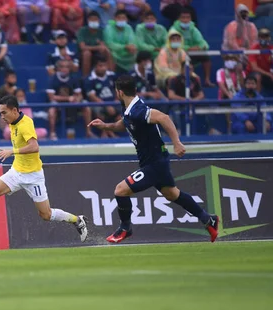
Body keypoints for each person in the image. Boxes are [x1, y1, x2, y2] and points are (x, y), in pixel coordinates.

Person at [88, 75, 219, 243]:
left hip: (154, 164)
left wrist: (176, 143)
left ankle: (125, 228)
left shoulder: (139, 111)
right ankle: (209, 219)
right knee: (172, 194)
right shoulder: (129, 109)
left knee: (120, 190)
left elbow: (163, 118)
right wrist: (106, 125)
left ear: (120, 93)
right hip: (156, 162)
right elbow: (124, 123)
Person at [0, 95, 88, 243]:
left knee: (46, 215)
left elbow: (34, 146)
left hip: (33, 176)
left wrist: (11, 151)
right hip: (16, 172)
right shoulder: (12, 121)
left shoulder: (25, 124)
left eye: (4, 112)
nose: (2, 116)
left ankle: (77, 220)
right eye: (0, 113)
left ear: (15, 110)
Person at [47, 59, 90, 139]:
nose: (64, 69)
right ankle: (52, 133)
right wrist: (68, 98)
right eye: (62, 67)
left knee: (86, 106)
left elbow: (79, 94)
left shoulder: (74, 78)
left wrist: (77, 98)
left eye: (67, 67)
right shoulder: (53, 79)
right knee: (51, 110)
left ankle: (88, 132)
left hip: (72, 104)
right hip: (58, 104)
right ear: (58, 68)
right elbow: (52, 97)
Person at [171, 7, 213, 87]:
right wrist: (188, 48)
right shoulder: (173, 30)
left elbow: (202, 42)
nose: (185, 20)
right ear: (178, 19)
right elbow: (174, 45)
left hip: (191, 53)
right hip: (177, 54)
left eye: (188, 17)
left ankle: (207, 80)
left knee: (205, 56)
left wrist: (201, 47)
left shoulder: (193, 29)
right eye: (183, 17)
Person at [84, 57, 118, 138]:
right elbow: (92, 96)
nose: (103, 68)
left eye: (104, 66)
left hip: (113, 102)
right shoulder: (89, 79)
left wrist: (116, 100)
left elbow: (119, 89)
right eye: (100, 66)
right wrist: (107, 105)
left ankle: (111, 132)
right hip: (98, 103)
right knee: (100, 113)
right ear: (95, 67)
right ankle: (106, 133)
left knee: (122, 113)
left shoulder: (112, 75)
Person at [77, 11, 113, 77]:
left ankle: (110, 75)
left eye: (95, 19)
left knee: (107, 51)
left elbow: (102, 45)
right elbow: (82, 47)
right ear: (88, 21)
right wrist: (97, 47)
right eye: (91, 19)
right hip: (82, 54)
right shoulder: (82, 30)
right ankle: (86, 78)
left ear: (99, 21)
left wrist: (101, 47)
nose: (93, 21)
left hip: (97, 53)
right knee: (87, 53)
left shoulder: (101, 31)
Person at [216, 55, 244, 133]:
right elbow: (221, 85)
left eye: (232, 59)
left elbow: (243, 86)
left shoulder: (240, 72)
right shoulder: (220, 71)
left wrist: (240, 72)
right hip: (225, 98)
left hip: (239, 97)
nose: (230, 61)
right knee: (229, 111)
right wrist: (229, 95)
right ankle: (229, 132)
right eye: (228, 59)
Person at [247, 28, 273, 92]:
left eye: (266, 37)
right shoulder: (254, 49)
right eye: (262, 37)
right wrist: (269, 74)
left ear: (269, 38)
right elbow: (254, 68)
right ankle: (257, 100)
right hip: (252, 73)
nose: (264, 39)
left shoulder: (271, 49)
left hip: (267, 74)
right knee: (257, 77)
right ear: (258, 38)